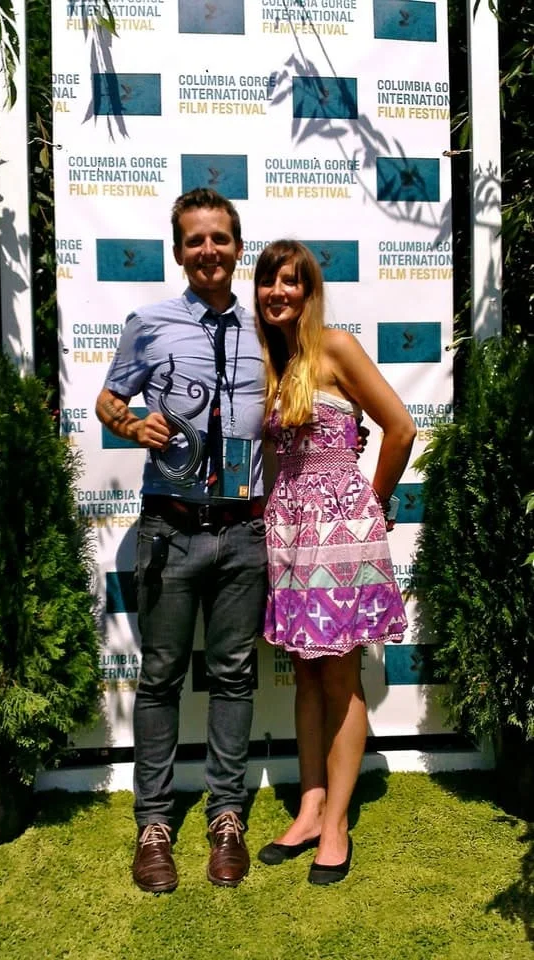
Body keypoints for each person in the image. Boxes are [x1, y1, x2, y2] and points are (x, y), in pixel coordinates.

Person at [95, 188, 269, 892]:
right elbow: (108, 401)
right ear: (178, 251)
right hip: (169, 527)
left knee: (233, 677)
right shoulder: (150, 323)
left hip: (244, 532)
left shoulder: (267, 331)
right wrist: (133, 424)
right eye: (195, 240)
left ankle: (226, 817)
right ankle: (154, 825)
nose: (208, 250)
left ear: (238, 247)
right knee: (161, 678)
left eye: (219, 238)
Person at [253, 239, 416, 885]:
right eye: (268, 280)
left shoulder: (336, 347)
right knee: (304, 672)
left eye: (290, 281)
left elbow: (400, 426)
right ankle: (310, 807)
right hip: (290, 528)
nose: (278, 291)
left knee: (340, 676)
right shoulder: (275, 361)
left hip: (337, 530)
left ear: (308, 290)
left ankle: (338, 824)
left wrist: (370, 502)